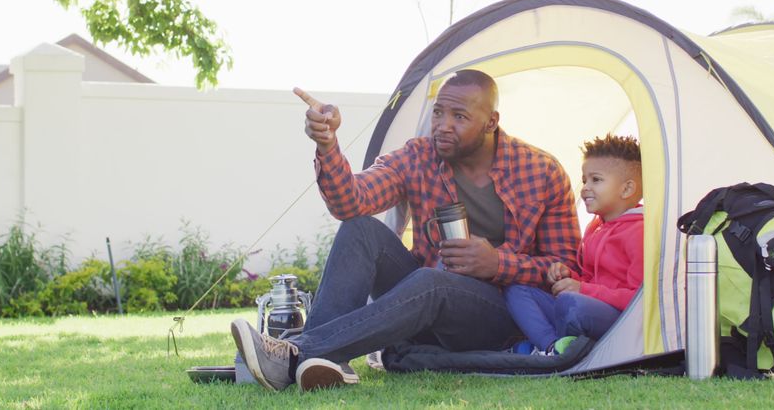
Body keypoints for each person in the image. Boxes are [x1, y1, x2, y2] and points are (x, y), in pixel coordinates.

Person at [230, 69, 580, 391]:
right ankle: (326, 360)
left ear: (491, 122)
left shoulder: (541, 171)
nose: (442, 125)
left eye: (459, 117)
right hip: (426, 301)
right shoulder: (419, 156)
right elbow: (351, 202)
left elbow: (566, 271)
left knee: (432, 281)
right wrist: (328, 145)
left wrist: (497, 264)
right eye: (439, 112)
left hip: (499, 315)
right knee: (361, 229)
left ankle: (293, 353)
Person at [503, 134, 643, 354]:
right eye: (584, 179)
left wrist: (581, 290)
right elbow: (589, 279)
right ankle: (552, 348)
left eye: (596, 180)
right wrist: (568, 277)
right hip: (584, 306)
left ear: (626, 189)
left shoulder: (639, 231)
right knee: (517, 290)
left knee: (572, 304)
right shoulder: (595, 228)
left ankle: (546, 346)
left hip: (619, 319)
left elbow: (639, 300)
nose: (585, 187)